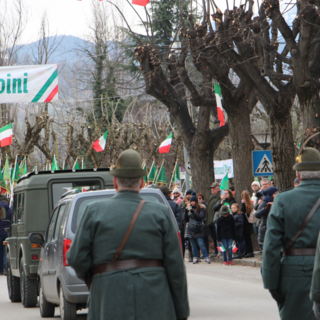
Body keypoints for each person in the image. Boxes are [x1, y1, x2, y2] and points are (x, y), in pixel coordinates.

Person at [67, 149, 190, 320]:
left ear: (115, 182)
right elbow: (176, 267)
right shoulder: (161, 213)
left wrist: (98, 281)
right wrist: (181, 311)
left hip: (108, 298)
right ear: (141, 183)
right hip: (155, 299)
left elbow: (75, 258)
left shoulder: (93, 212)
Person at [263, 147, 320, 320]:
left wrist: (271, 282)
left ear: (299, 175)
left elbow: (271, 246)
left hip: (294, 274)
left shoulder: (283, 200)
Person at [184, 194, 210, 264]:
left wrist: (193, 212)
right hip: (191, 229)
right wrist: (186, 211)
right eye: (191, 201)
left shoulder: (200, 208)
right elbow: (185, 219)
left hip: (198, 229)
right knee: (193, 245)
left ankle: (206, 257)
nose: (192, 202)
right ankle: (196, 257)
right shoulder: (188, 208)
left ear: (196, 201)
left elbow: (201, 217)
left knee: (201, 243)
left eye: (193, 201)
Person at [205, 182, 220, 257]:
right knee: (214, 237)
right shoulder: (212, 196)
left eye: (214, 188)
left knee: (218, 237)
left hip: (215, 220)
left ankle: (220, 251)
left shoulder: (219, 196)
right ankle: (216, 251)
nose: (212, 190)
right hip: (211, 220)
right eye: (211, 188)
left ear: (218, 188)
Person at [241, 190, 254, 258]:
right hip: (249, 223)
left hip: (245, 223)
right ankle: (248, 251)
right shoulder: (250, 203)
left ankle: (249, 251)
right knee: (247, 238)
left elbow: (243, 210)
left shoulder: (245, 203)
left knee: (246, 239)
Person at [0, 196, 11, 275]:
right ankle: (5, 268)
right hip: (7, 234)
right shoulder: (10, 210)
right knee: (5, 251)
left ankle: (0, 269)